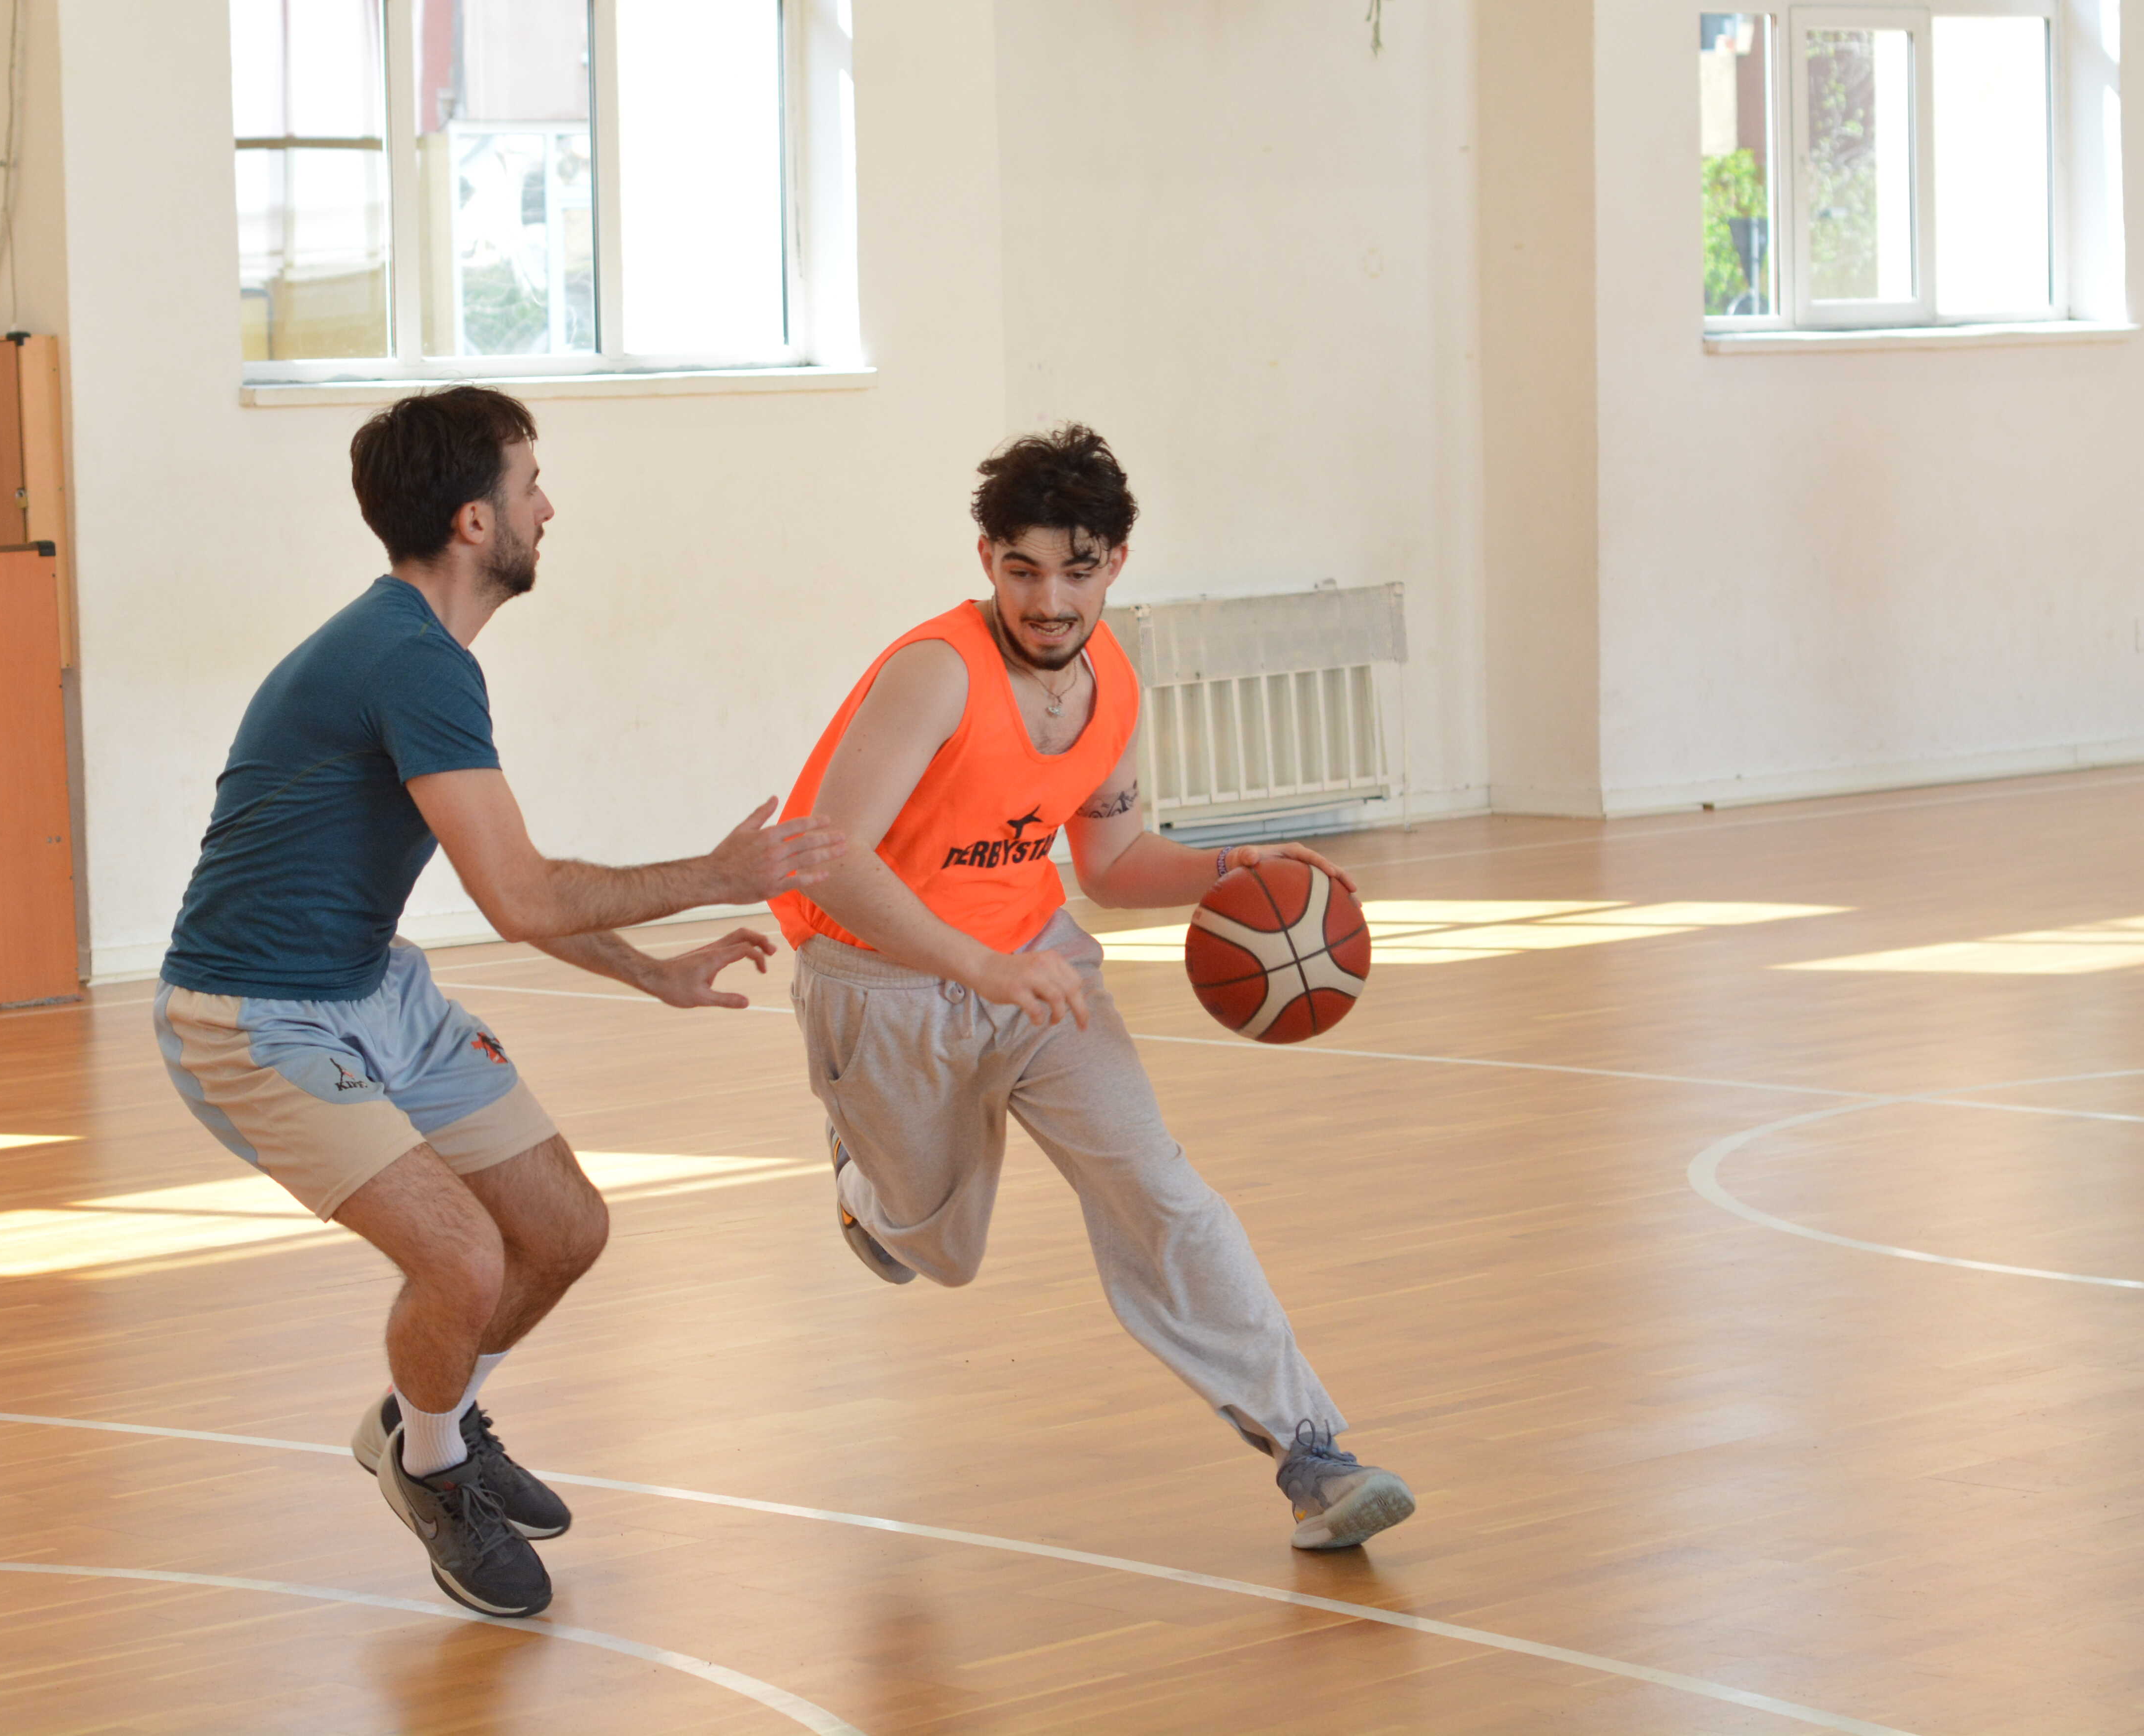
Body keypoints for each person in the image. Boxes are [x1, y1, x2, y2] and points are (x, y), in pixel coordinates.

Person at [155, 385, 841, 1618]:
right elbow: (525, 897)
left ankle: (431, 1418)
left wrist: (653, 970)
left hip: (377, 984)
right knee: (463, 1254)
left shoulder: (412, 650)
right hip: (258, 1020)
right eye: (532, 485)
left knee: (567, 1228)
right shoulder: (409, 659)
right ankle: (430, 1465)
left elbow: (508, 881)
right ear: (477, 520)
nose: (549, 506)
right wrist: (719, 875)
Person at [769, 425, 1413, 1551]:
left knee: (1160, 1190)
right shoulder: (935, 673)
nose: (1048, 598)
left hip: (1038, 968)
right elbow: (831, 855)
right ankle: (867, 1185)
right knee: (938, 1252)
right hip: (881, 980)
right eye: (1022, 568)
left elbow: (1111, 867)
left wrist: (1242, 866)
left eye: (1075, 567)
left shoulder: (1112, 677)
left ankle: (1314, 1452)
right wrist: (974, 964)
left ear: (1116, 558)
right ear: (987, 561)